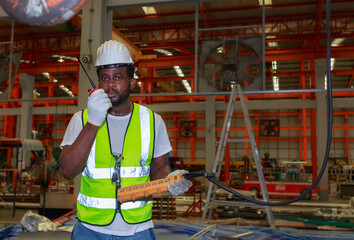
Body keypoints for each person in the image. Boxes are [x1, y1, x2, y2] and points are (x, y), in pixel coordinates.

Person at [59, 40, 192, 240]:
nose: (110, 84)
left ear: (132, 82)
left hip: (137, 230)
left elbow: (159, 167)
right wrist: (93, 122)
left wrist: (170, 180)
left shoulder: (152, 121)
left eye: (118, 77)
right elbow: (68, 171)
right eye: (104, 78)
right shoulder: (82, 119)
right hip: (90, 229)